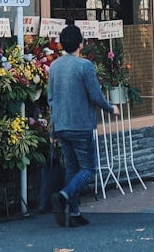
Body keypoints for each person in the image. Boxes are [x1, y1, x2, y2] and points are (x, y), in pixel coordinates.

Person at [47, 23, 119, 227]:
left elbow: (51, 99)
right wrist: (110, 108)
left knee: (72, 168)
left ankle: (75, 213)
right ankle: (64, 195)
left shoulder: (55, 67)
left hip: (61, 125)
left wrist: (53, 129)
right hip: (80, 125)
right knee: (88, 169)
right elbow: (95, 95)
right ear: (80, 43)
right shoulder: (84, 66)